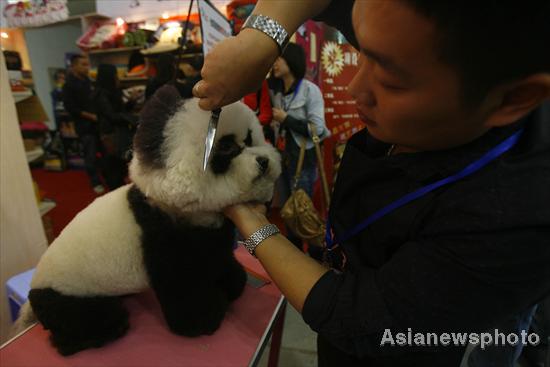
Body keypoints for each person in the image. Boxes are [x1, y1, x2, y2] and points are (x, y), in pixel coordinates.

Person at [194, 1, 550, 366]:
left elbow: (357, 317)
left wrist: (250, 221)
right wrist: (261, 38)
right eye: (361, 52)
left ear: (513, 99)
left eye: (392, 81)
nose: (354, 88)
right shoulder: (413, 25)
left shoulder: (518, 217)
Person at [268, 42, 329, 252]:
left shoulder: (310, 91)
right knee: (288, 213)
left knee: (304, 213)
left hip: (303, 161)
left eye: (279, 58)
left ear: (291, 60)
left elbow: (318, 129)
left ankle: (316, 258)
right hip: (283, 159)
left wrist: (287, 118)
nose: (274, 63)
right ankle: (294, 257)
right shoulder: (276, 92)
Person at [91, 64, 138, 190]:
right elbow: (111, 115)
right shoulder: (101, 94)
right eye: (114, 75)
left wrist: (131, 101)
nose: (117, 78)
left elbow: (119, 111)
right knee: (114, 168)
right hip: (110, 134)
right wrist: (132, 119)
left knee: (119, 166)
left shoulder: (111, 91)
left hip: (117, 133)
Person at [63, 54, 104, 194]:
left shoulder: (88, 81)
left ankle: (107, 177)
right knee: (90, 155)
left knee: (103, 152)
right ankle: (95, 182)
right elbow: (71, 107)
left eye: (88, 64)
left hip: (97, 123)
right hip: (85, 126)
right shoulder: (68, 85)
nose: (87, 67)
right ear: (74, 66)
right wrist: (90, 116)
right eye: (83, 64)